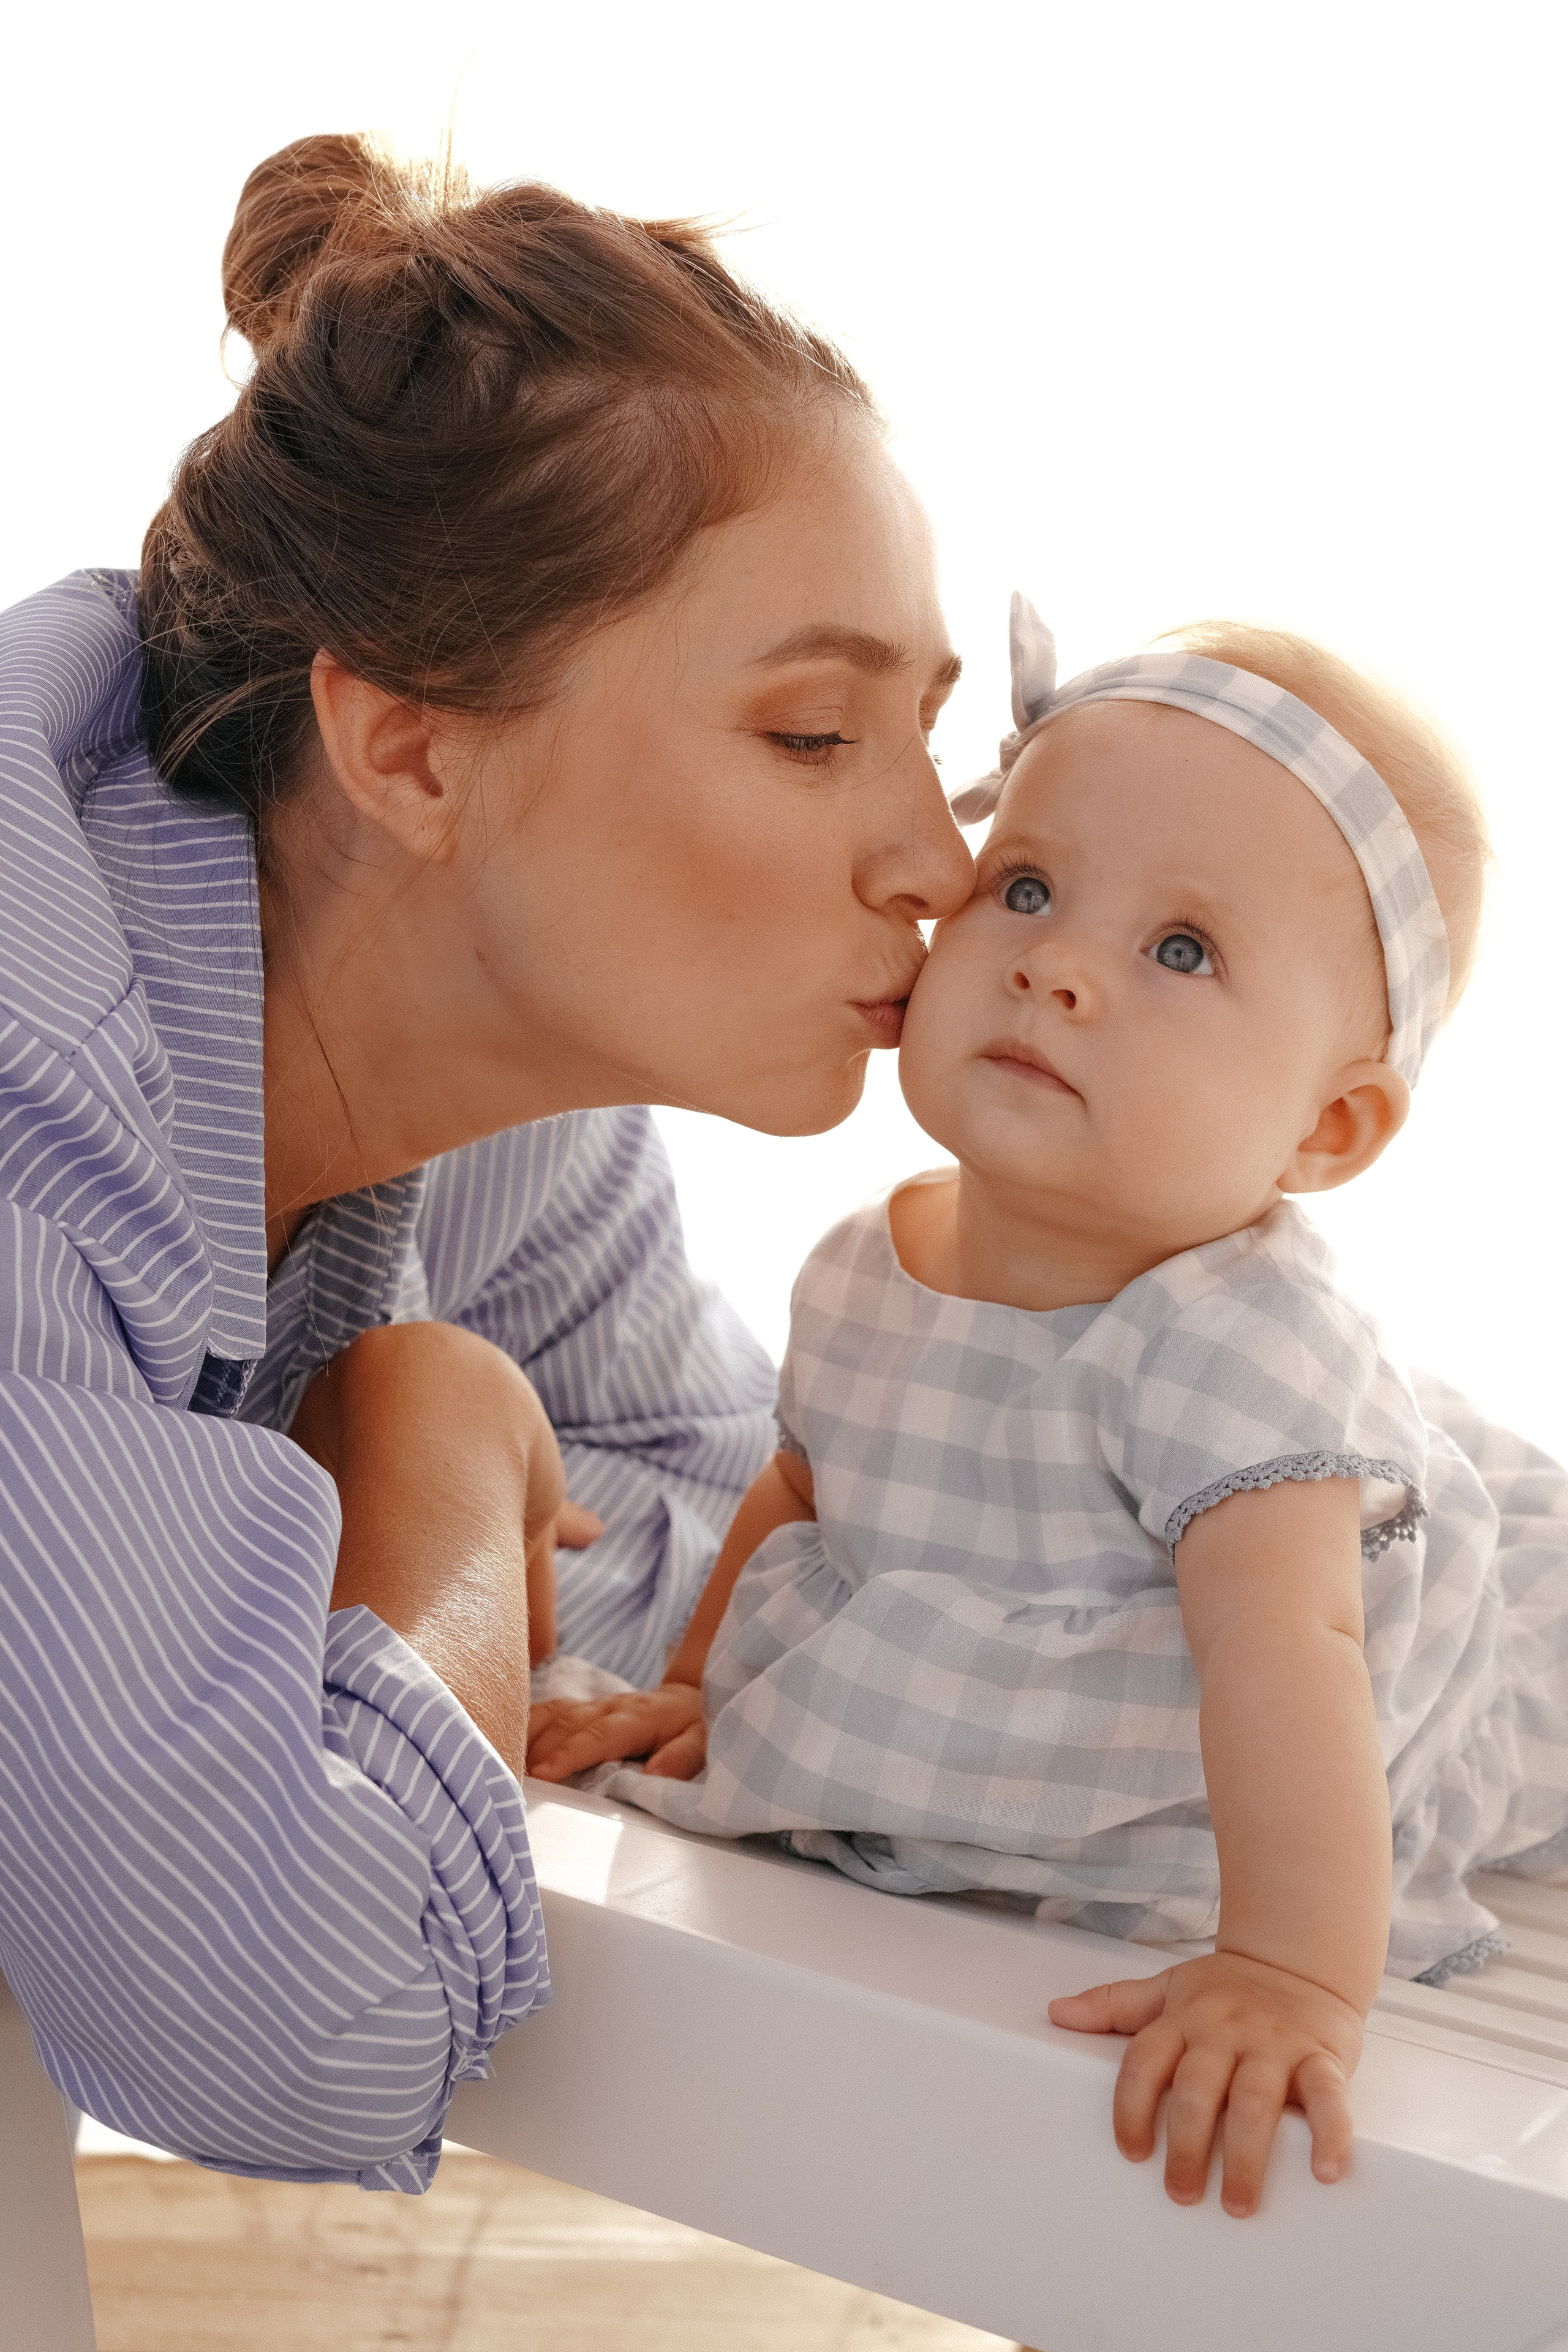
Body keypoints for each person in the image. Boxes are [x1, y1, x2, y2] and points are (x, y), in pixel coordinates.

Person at [0, 131, 973, 2190]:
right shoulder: (36, 1099)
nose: (945, 868)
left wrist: (309, 1581)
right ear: (415, 748)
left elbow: (751, 1526)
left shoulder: (467, 1042)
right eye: (815, 736)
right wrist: (433, 1440)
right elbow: (294, 2039)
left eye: (933, 737)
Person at [527, 600, 1568, 2216]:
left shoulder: (1236, 1357)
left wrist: (1293, 1973)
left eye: (1181, 951)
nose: (1058, 967)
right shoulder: (867, 1261)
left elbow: (1296, 1664)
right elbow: (807, 1491)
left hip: (1331, 1720)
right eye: (1026, 887)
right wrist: (695, 1687)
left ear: (1329, 1129)